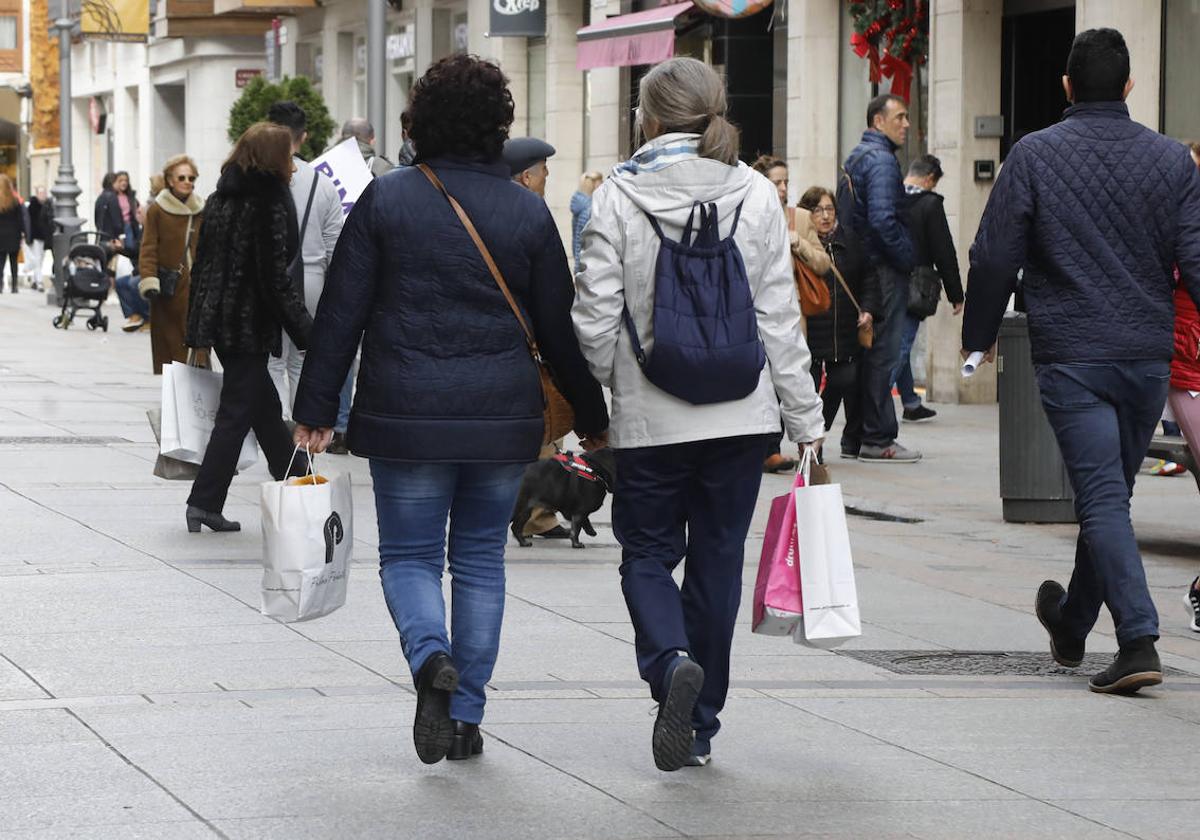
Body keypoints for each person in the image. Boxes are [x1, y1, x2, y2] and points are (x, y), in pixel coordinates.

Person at [291, 55, 607, 765]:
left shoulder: (386, 199)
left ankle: (431, 658)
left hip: (405, 410)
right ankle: (464, 717)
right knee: (480, 563)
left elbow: (343, 311)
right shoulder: (527, 210)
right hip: (501, 416)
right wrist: (590, 411)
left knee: (407, 556)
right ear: (498, 125)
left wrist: (316, 405)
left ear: (419, 121)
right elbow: (559, 328)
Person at [573, 57, 825, 771]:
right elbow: (779, 317)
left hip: (652, 418)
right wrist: (805, 419)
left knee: (647, 554)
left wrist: (593, 405)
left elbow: (594, 320)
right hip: (743, 417)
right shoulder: (753, 192)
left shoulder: (617, 196)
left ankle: (667, 664)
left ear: (647, 119)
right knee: (717, 564)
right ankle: (702, 723)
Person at [964, 28, 1200, 694]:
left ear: (1065, 86)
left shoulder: (1035, 156)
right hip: (1146, 358)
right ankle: (1071, 623)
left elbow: (993, 255)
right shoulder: (1173, 161)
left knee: (1101, 498)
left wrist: (977, 337)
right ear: (1128, 86)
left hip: (1073, 352)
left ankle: (1137, 639)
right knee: (1111, 497)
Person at [184, 122, 313, 534]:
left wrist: (199, 331)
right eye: (288, 156)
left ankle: (298, 483)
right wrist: (307, 331)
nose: (292, 166)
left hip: (222, 323)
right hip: (249, 322)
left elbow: (202, 268)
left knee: (263, 408)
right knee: (238, 412)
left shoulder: (221, 198)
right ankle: (203, 502)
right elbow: (275, 277)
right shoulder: (269, 203)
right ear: (275, 159)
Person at [842, 93, 920, 463]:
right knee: (883, 355)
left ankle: (856, 436)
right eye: (900, 117)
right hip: (883, 268)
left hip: (864, 266)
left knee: (867, 351)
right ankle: (878, 438)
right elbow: (883, 221)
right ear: (878, 121)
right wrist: (907, 257)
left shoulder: (858, 155)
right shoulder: (882, 161)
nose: (906, 124)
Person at [505, 135, 573, 543]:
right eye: (544, 171)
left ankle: (534, 512)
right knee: (545, 428)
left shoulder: (497, 207)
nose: (548, 177)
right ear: (528, 177)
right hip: (530, 341)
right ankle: (537, 514)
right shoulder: (530, 213)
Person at [265, 101, 344, 425]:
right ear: (304, 136)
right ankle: (299, 430)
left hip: (268, 276)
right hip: (311, 276)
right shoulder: (323, 183)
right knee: (302, 359)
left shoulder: (258, 177)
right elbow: (334, 243)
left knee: (272, 360)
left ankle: (275, 429)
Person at [752, 154, 831, 474]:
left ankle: (807, 440)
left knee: (797, 372)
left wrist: (798, 243)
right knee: (766, 381)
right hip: (758, 314)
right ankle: (769, 447)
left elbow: (824, 264)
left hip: (793, 312)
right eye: (776, 182)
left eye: (786, 181)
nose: (783, 188)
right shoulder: (751, 215)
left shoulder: (799, 217)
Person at [801, 186, 881, 457]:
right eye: (818, 210)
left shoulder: (849, 239)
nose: (825, 216)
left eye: (829, 210)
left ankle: (818, 435)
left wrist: (868, 309)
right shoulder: (803, 243)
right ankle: (811, 447)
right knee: (808, 390)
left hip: (844, 329)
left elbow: (868, 277)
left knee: (844, 380)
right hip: (811, 329)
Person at [895, 154, 964, 422]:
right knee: (900, 347)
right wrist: (956, 294)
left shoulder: (890, 197)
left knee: (898, 343)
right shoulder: (929, 205)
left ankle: (911, 402)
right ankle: (873, 403)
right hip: (916, 287)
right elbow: (944, 251)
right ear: (929, 179)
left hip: (886, 283)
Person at [139, 156, 205, 374]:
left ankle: (196, 399)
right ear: (169, 180)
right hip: (169, 290)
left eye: (191, 178)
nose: (187, 182)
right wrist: (149, 280)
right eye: (182, 177)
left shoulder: (201, 209)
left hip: (198, 289)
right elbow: (148, 248)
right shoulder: (158, 210)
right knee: (172, 347)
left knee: (199, 346)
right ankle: (176, 397)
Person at [94, 170, 141, 260]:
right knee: (123, 253)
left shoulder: (101, 197)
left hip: (108, 233)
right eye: (119, 181)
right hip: (116, 233)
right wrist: (121, 236)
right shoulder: (112, 198)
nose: (122, 183)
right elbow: (117, 220)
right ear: (113, 183)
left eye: (126, 180)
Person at [570, 171, 602, 272]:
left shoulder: (581, 207)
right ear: (593, 184)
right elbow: (580, 240)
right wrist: (578, 267)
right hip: (588, 265)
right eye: (600, 182)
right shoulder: (588, 210)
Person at [0, 174, 24, 293]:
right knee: (14, 262)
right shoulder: (15, 201)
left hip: (1, 236)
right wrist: (22, 233)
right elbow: (20, 219)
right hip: (14, 235)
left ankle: (0, 285)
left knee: (1, 262)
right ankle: (14, 286)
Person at [24, 186, 51, 291]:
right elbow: (29, 223)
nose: (43, 195)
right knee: (37, 259)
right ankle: (39, 281)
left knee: (40, 259)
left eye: (44, 192)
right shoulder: (32, 206)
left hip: (44, 237)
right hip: (35, 237)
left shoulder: (47, 206)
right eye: (40, 193)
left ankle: (35, 281)